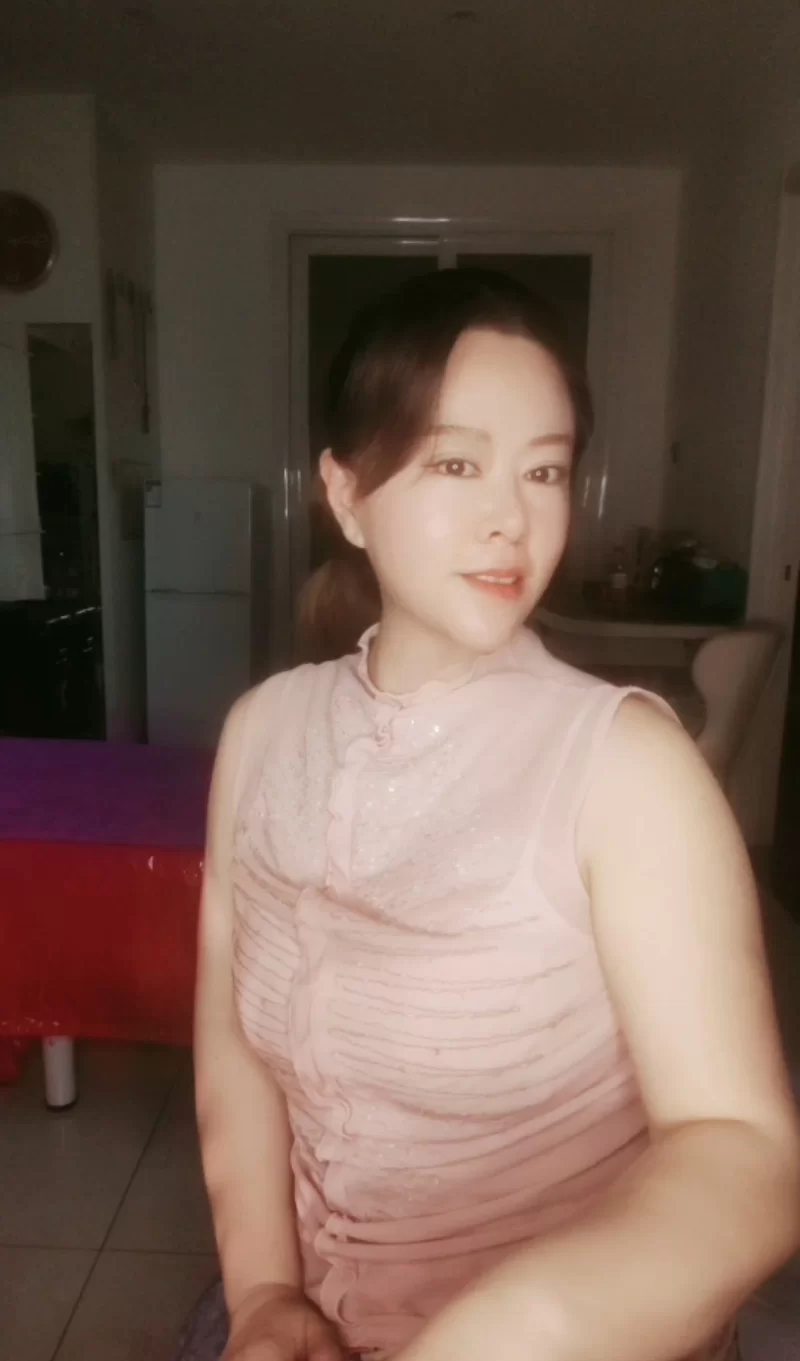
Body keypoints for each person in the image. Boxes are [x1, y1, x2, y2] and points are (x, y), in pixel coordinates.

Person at [179, 269, 800, 1361]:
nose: (511, 516)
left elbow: (743, 1151)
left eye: (544, 469)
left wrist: (505, 1330)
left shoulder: (625, 768)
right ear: (344, 493)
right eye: (456, 462)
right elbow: (232, 1035)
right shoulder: (263, 732)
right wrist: (266, 1289)